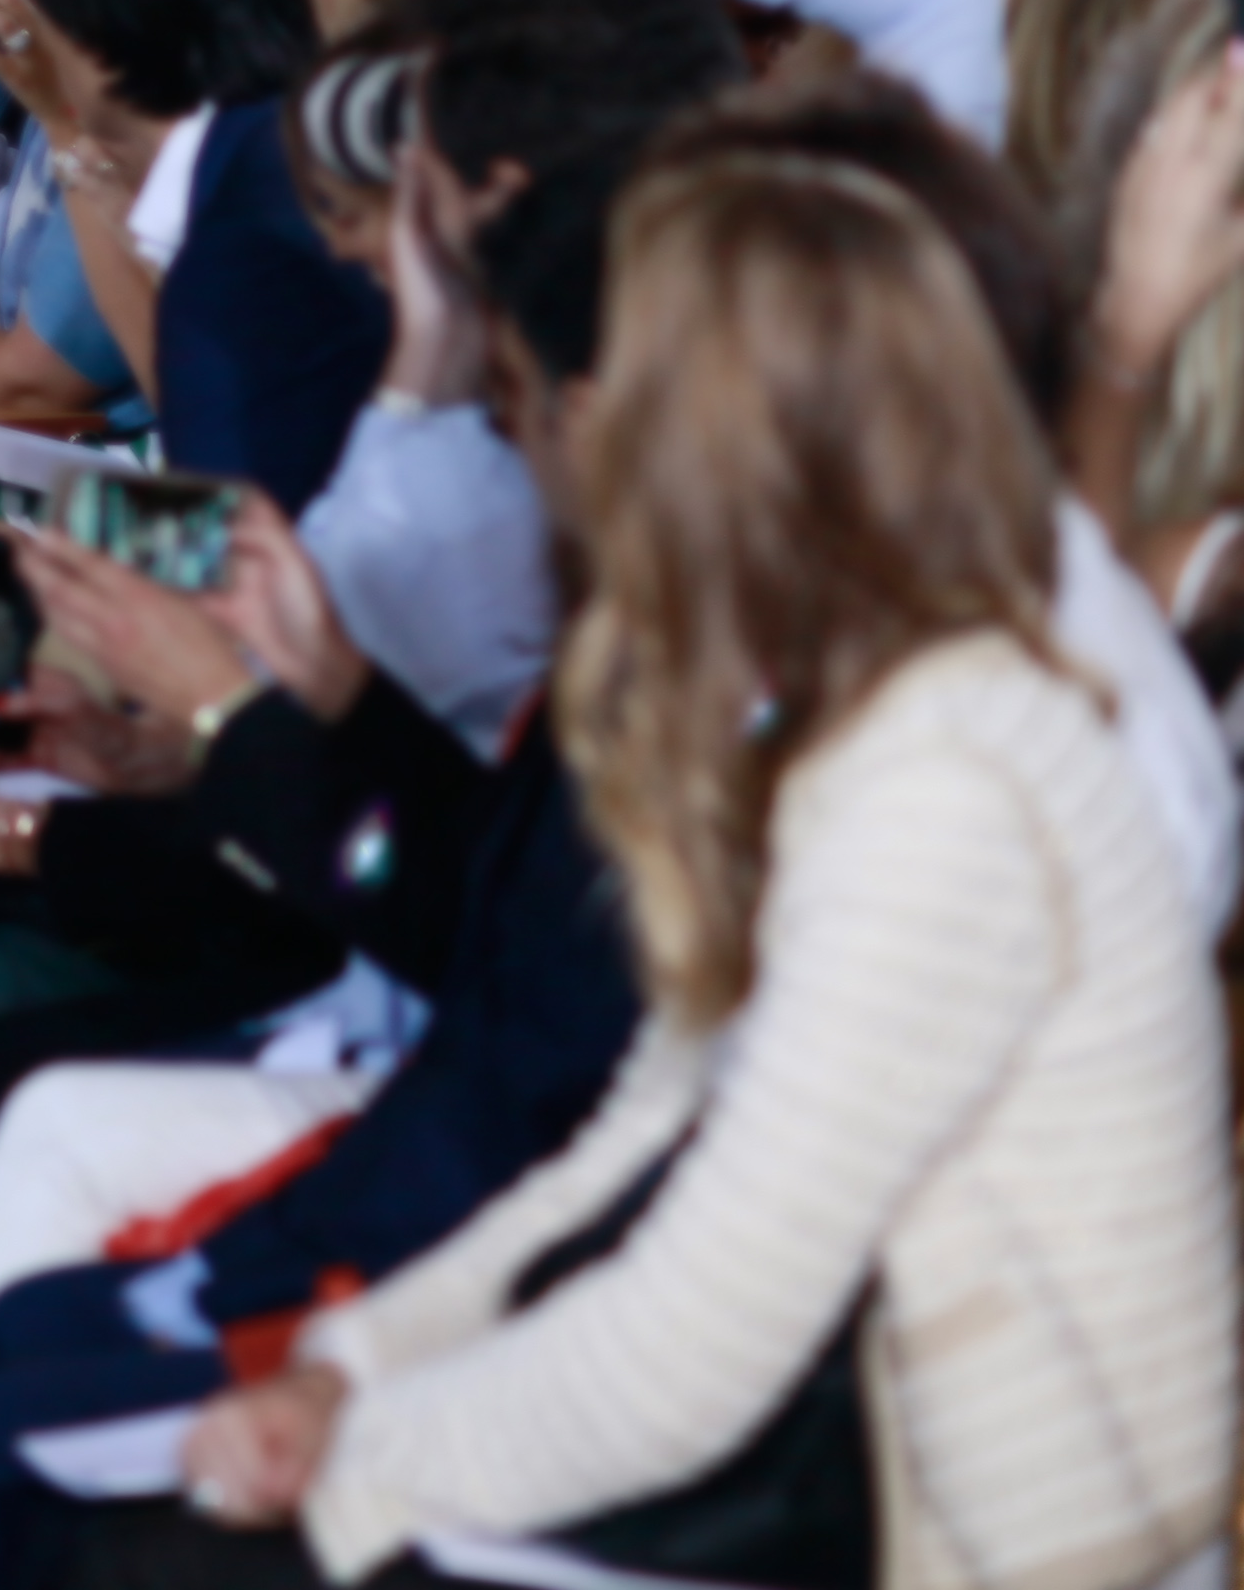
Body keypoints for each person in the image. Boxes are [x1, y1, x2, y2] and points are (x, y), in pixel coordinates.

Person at [154, 152, 1232, 1590]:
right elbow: (648, 1126)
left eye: (617, 397)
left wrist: (361, 1451)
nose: (562, 431)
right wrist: (346, 1370)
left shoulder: (945, 769)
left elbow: (707, 1325)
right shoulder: (843, 683)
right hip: (853, 1450)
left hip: (990, 1532)